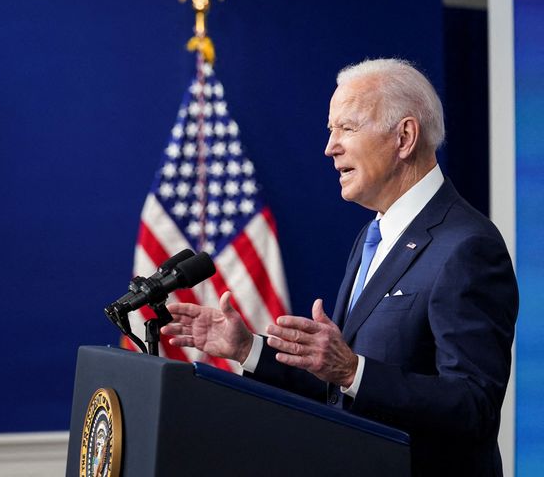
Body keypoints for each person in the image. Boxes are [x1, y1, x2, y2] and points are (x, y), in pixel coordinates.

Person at [161, 58, 518, 476]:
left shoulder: (467, 246)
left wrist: (353, 370)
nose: (330, 147)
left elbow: (473, 406)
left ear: (404, 137)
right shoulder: (372, 237)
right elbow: (342, 387)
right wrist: (248, 349)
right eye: (331, 130)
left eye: (346, 128)